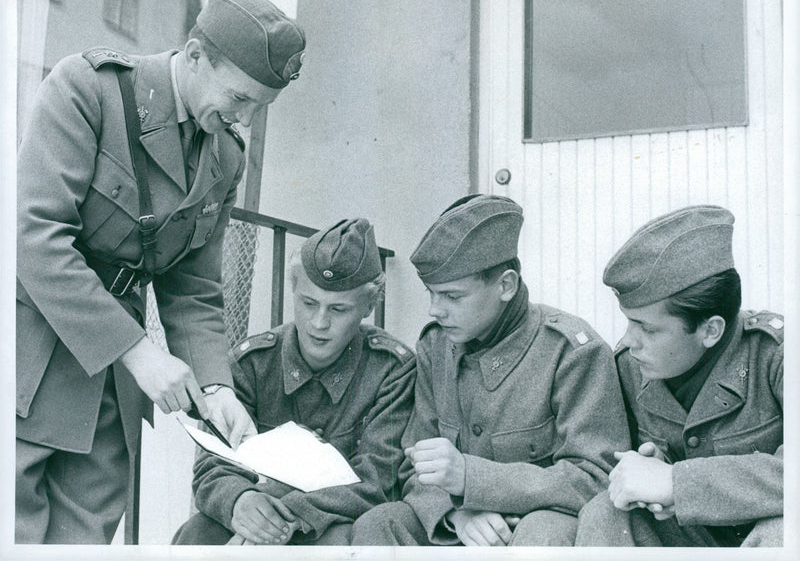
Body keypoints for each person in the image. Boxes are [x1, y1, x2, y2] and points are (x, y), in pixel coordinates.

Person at [16, 0, 306, 543]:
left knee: (85, 539)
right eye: (239, 99)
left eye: (257, 108)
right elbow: (34, 236)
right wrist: (137, 352)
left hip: (109, 391)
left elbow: (193, 287)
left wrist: (219, 390)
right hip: (33, 355)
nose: (243, 118)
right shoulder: (90, 89)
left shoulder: (223, 154)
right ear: (196, 57)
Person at [351, 194, 630, 547]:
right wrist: (454, 514)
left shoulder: (571, 351)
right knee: (380, 524)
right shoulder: (435, 348)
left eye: (453, 296)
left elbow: (597, 477)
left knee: (541, 536)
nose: (435, 310)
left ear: (506, 285)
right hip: (460, 518)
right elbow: (413, 465)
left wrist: (473, 480)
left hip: (540, 520)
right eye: (431, 293)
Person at [172, 218, 416, 546]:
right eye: (309, 303)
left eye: (339, 309)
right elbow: (213, 466)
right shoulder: (252, 362)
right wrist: (240, 503)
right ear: (293, 290)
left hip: (334, 521)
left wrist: (283, 516)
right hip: (257, 507)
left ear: (369, 306)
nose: (319, 323)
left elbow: (377, 482)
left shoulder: (392, 370)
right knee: (197, 535)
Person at [575, 205, 783, 547]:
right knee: (607, 510)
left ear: (710, 330)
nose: (629, 340)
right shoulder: (629, 366)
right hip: (688, 537)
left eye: (646, 328)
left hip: (765, 538)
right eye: (629, 321)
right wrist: (651, 470)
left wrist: (676, 481)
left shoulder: (777, 355)